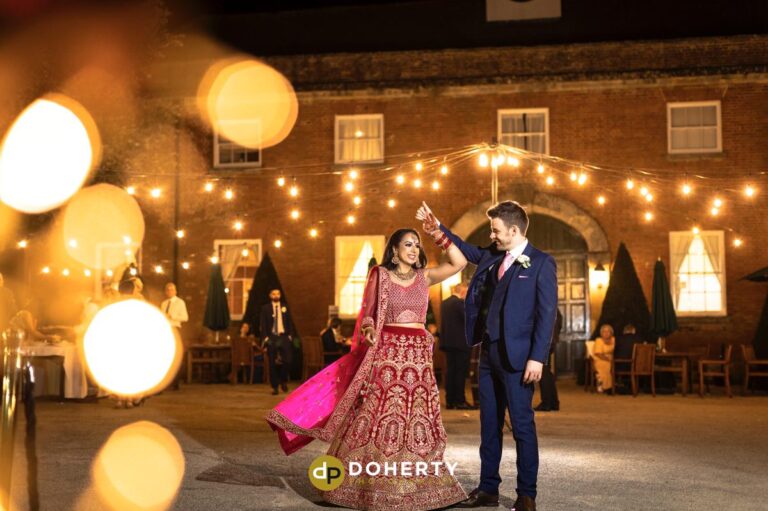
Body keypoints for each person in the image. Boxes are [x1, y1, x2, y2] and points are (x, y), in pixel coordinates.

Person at [266, 227, 468, 510]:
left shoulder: (425, 277)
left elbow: (459, 262)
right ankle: (358, 485)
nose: (413, 250)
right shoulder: (381, 276)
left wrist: (436, 231)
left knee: (418, 419)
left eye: (417, 245)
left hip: (418, 361)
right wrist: (370, 330)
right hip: (388, 356)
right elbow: (369, 315)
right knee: (376, 417)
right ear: (395, 250)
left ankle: (419, 484)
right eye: (407, 245)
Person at [421, 200, 557, 511]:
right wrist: (437, 228)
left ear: (513, 230)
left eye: (496, 230)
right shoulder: (494, 255)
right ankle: (488, 489)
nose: (492, 235)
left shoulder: (541, 263)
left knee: (522, 426)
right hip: (488, 354)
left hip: (521, 359)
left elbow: (546, 314)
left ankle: (526, 495)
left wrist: (538, 357)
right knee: (489, 424)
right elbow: (467, 250)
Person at [440, 281, 475, 410]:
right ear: (462, 291)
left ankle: (450, 401)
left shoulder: (444, 303)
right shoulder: (459, 304)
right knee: (460, 372)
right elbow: (469, 320)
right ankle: (460, 401)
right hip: (460, 343)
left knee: (450, 372)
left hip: (448, 342)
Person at [260, 289, 294, 395]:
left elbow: (290, 321)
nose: (276, 295)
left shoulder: (285, 307)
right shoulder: (265, 308)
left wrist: (290, 336)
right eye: (274, 294)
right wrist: (265, 337)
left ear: (280, 295)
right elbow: (263, 323)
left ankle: (283, 380)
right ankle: (274, 386)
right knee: (272, 362)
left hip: (284, 337)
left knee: (287, 360)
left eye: (278, 293)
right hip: (272, 337)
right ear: (270, 295)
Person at [161, 282, 189, 390]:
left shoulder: (180, 303)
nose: (169, 291)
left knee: (176, 355)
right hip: (166, 329)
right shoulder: (164, 303)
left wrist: (173, 316)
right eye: (167, 290)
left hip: (175, 328)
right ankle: (167, 381)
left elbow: (185, 317)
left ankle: (176, 381)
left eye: (171, 289)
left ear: (175, 291)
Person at [535, 309, 562, 412]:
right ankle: (554, 402)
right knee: (547, 372)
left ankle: (547, 403)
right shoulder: (554, 308)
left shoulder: (547, 305)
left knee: (544, 373)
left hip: (545, 341)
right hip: (550, 341)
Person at [593, 324, 616, 394]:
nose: (606, 333)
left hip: (612, 358)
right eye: (604, 331)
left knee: (612, 365)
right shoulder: (598, 340)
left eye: (608, 331)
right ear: (601, 333)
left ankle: (609, 387)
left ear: (611, 333)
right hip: (600, 358)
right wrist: (608, 359)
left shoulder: (614, 340)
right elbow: (598, 353)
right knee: (605, 366)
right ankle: (604, 386)